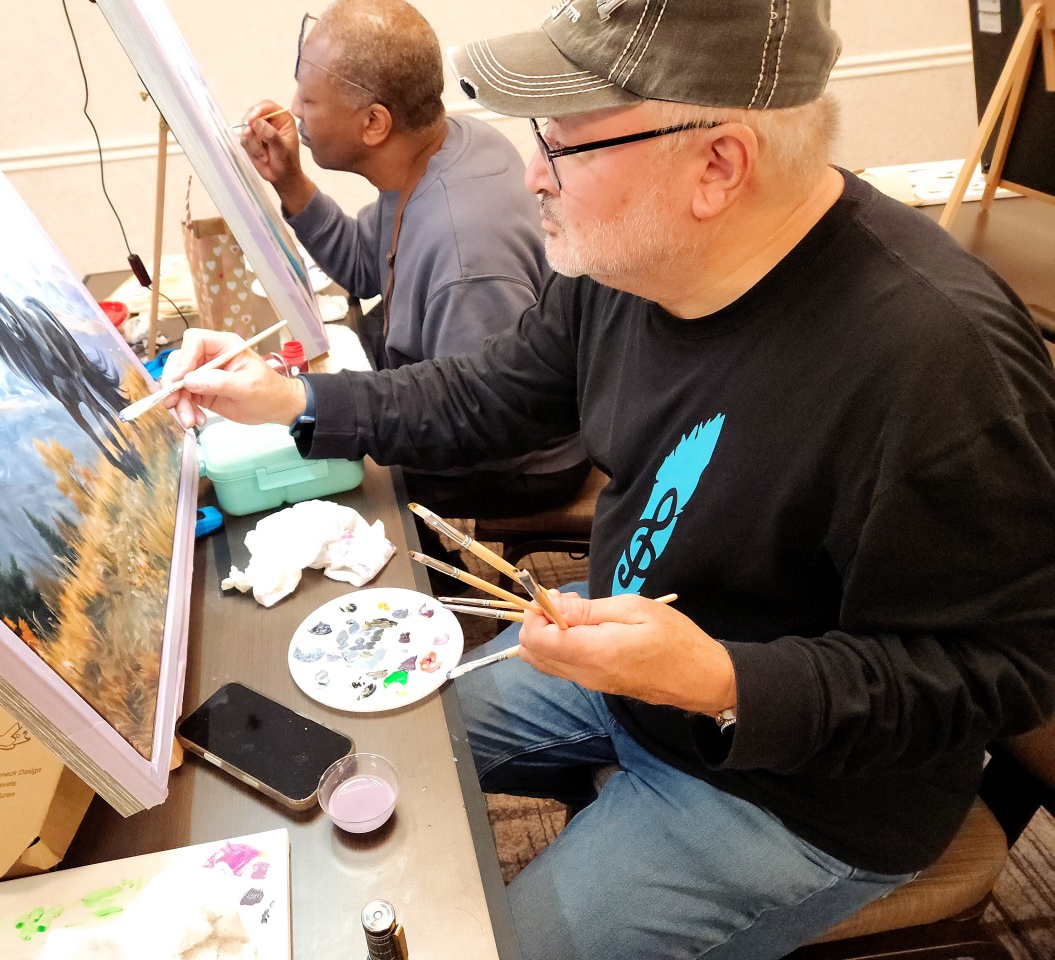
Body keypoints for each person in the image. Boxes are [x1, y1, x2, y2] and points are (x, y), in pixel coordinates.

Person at [165, 0, 1055, 956]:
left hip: (800, 791)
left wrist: (720, 680)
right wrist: (292, 398)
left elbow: (1004, 671)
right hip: (628, 658)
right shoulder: (627, 261)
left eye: (565, 141)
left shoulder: (940, 362)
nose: (532, 173)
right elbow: (493, 391)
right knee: (356, 740)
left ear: (717, 165)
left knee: (486, 950)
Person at [236, 0, 589, 584]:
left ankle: (437, 590)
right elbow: (364, 266)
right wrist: (291, 181)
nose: (293, 109)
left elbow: (471, 423)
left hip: (523, 460)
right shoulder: (444, 147)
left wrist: (323, 414)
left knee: (342, 486)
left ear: (374, 123)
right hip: (470, 413)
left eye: (310, 99)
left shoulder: (463, 249)